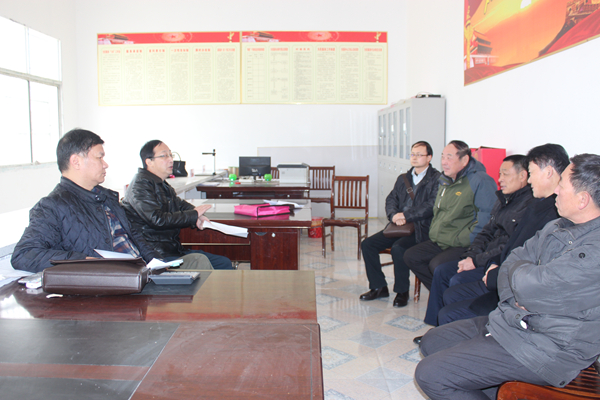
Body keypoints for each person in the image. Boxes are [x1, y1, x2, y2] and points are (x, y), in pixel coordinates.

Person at [415, 153, 600, 400]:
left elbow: (531, 286)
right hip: (513, 322)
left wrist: (521, 284)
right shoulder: (557, 226)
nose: (556, 190)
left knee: (430, 374)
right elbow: (514, 259)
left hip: (546, 348)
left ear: (583, 200)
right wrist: (519, 287)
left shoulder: (593, 252)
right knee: (432, 341)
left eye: (562, 185)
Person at [435, 143, 568, 326]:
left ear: (548, 172)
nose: (530, 181)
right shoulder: (533, 205)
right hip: (500, 267)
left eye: (532, 173)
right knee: (449, 289)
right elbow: (505, 240)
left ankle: (462, 336)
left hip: (514, 287)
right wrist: (489, 261)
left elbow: (532, 263)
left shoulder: (554, 215)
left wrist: (494, 271)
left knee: (450, 308)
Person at [11, 128, 162, 273]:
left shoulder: (106, 198)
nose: (105, 164)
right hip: (115, 283)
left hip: (143, 275)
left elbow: (136, 238)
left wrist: (159, 265)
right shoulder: (52, 206)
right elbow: (24, 254)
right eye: (99, 157)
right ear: (76, 162)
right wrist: (85, 261)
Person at [421, 155, 533, 327]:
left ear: (523, 176)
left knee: (457, 279)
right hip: (483, 257)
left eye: (505, 174)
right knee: (442, 271)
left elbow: (508, 247)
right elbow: (486, 232)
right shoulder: (503, 199)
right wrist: (471, 256)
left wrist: (476, 261)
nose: (500, 179)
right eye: (499, 174)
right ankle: (436, 325)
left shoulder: (527, 206)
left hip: (496, 263)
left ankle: (454, 327)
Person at [122, 140, 233, 269]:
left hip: (172, 249)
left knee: (223, 263)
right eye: (164, 156)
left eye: (171, 155)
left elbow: (178, 204)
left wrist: (198, 215)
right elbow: (158, 219)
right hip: (156, 255)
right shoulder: (140, 185)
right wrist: (194, 214)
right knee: (200, 261)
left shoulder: (160, 183)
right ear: (149, 161)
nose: (171, 160)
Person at [403, 140, 497, 291]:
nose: (444, 162)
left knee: (436, 265)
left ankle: (444, 294)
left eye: (449, 157)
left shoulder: (480, 181)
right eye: (442, 157)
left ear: (464, 160)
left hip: (463, 243)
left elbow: (486, 219)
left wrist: (462, 238)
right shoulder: (445, 180)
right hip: (442, 239)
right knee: (411, 256)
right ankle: (441, 292)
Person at [359, 141, 441, 307]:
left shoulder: (437, 179)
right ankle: (379, 286)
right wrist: (394, 215)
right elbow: (391, 199)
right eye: (412, 154)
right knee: (367, 244)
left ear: (429, 157)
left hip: (420, 229)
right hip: (399, 226)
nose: (415, 158)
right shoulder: (403, 178)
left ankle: (402, 291)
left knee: (398, 248)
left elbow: (431, 206)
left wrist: (406, 216)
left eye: (419, 155)